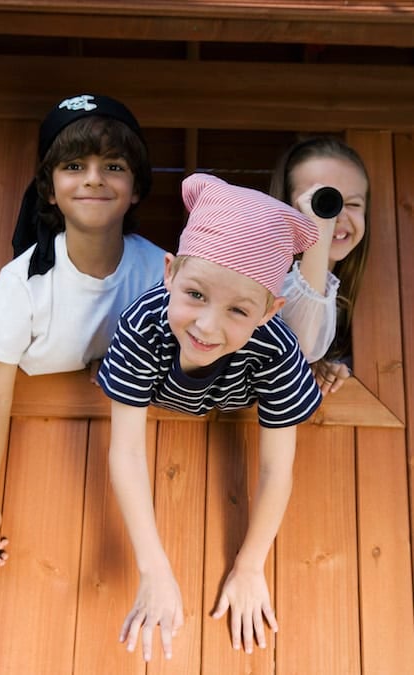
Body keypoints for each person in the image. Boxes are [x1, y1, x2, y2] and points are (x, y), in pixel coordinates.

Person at [97, 173, 323, 661]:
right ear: (170, 272)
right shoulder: (141, 324)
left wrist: (250, 565)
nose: (207, 325)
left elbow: (276, 467)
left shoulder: (278, 350)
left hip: (233, 401)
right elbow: (128, 450)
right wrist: (153, 568)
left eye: (238, 311)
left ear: (270, 311)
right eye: (195, 294)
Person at [0, 93, 165, 567]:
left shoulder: (161, 270)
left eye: (113, 166)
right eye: (74, 166)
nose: (93, 179)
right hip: (44, 480)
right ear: (49, 190)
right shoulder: (25, 280)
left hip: (144, 473)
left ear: (135, 187)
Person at [270, 136, 370, 394]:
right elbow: (299, 347)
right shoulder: (267, 283)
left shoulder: (368, 297)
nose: (337, 215)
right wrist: (317, 234)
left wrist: (339, 368)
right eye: (324, 201)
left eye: (353, 204)